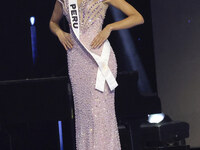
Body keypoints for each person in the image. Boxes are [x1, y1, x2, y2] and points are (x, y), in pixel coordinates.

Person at [49, 0, 144, 149]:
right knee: (84, 114)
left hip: (100, 59)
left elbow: (138, 17)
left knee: (98, 112)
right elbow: (53, 22)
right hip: (76, 61)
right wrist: (60, 32)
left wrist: (110, 27)